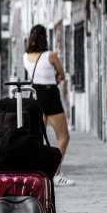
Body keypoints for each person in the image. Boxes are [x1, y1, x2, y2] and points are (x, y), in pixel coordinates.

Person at [24, 25, 74, 186]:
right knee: (63, 136)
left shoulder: (26, 56)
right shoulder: (51, 55)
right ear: (45, 38)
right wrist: (56, 77)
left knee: (39, 137)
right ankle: (55, 171)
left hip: (35, 95)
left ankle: (39, 170)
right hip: (50, 95)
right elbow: (62, 74)